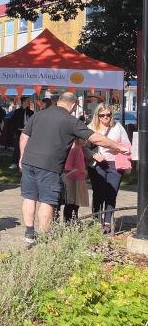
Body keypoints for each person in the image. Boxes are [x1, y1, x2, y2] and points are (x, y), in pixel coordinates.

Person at [18, 92, 129, 245]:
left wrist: (21, 158)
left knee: (29, 197)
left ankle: (29, 233)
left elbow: (24, 136)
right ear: (73, 105)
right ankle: (44, 237)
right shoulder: (70, 120)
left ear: (58, 102)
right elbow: (95, 138)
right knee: (47, 200)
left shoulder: (38, 115)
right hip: (49, 165)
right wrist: (119, 147)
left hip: (29, 161)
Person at [83, 103, 132, 234]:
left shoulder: (118, 127)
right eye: (102, 115)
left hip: (115, 164)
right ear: (97, 116)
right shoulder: (90, 128)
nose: (106, 117)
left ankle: (107, 223)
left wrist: (124, 152)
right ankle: (96, 221)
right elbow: (83, 147)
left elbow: (127, 145)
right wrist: (93, 155)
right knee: (98, 193)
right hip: (97, 164)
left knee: (112, 193)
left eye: (108, 115)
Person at [61, 140, 88, 222]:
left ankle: (73, 221)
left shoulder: (78, 147)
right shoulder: (74, 148)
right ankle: (69, 222)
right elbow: (68, 167)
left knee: (75, 204)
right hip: (74, 179)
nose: (85, 140)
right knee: (71, 204)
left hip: (78, 177)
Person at [9, 98, 34, 170]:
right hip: (18, 131)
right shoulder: (17, 111)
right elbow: (12, 122)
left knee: (27, 148)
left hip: (28, 132)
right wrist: (16, 128)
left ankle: (25, 163)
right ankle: (14, 163)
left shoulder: (31, 112)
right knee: (17, 147)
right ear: (23, 102)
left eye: (28, 102)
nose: (28, 103)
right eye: (27, 101)